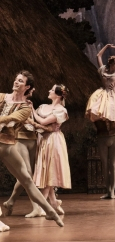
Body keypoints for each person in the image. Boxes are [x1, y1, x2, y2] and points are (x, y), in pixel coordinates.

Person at [0, 71, 64, 230]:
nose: (16, 82)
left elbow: (10, 119)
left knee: (27, 179)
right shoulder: (2, 97)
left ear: (27, 87)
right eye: (16, 79)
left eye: (20, 81)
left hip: (6, 145)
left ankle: (50, 211)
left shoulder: (25, 108)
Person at [3, 88, 54, 218]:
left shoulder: (29, 105)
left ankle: (10, 202)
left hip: (32, 139)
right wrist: (45, 127)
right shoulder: (19, 105)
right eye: (32, 89)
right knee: (27, 174)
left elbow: (34, 122)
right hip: (20, 139)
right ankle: (36, 208)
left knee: (28, 175)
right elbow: (25, 121)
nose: (34, 91)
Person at [31, 85, 72, 215]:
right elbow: (36, 120)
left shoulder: (61, 110)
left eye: (52, 90)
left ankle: (42, 205)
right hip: (43, 139)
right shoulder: (43, 107)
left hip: (54, 141)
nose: (49, 90)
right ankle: (53, 202)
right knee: (46, 169)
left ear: (58, 95)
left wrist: (31, 108)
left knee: (50, 169)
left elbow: (43, 122)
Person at [85, 43, 115, 125]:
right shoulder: (103, 70)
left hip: (113, 93)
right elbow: (98, 56)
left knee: (113, 109)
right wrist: (107, 46)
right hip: (103, 93)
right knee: (95, 105)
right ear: (110, 64)